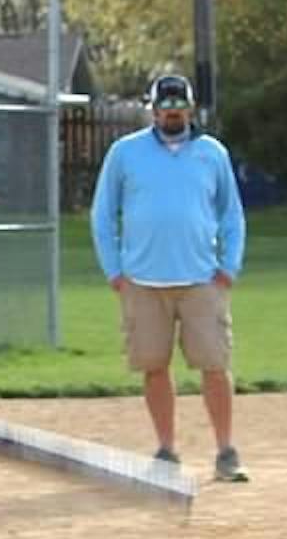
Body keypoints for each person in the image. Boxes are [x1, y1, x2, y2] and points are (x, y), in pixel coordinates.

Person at [90, 72, 249, 482]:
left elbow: (231, 214)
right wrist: (115, 271)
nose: (172, 114)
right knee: (154, 366)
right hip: (142, 281)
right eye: (165, 108)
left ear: (190, 109)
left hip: (201, 279)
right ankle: (166, 450)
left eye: (179, 108)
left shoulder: (212, 153)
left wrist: (227, 267)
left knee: (215, 364)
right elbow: (103, 214)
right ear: (153, 110)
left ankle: (226, 451)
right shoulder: (125, 153)